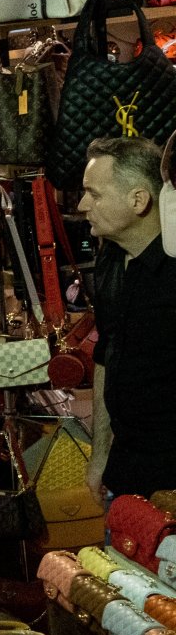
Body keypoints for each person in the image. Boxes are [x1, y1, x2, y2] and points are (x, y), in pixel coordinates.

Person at [81, 136, 176, 501]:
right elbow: (106, 353)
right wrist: (99, 454)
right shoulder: (110, 259)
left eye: (95, 193)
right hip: (125, 471)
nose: (82, 204)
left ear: (138, 200)